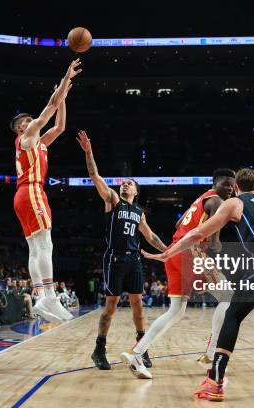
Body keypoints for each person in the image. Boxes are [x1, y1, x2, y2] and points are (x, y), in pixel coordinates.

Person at [142, 168, 254, 401]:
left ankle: (214, 381)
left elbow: (199, 232)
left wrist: (168, 253)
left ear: (236, 187)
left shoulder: (234, 202)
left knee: (233, 312)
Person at [120, 169, 236, 379]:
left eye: (232, 185)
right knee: (228, 296)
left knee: (176, 311)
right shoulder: (218, 201)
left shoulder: (200, 199)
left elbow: (177, 224)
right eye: (225, 183)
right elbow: (214, 242)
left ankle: (136, 354)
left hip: (175, 251)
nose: (229, 188)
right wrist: (217, 246)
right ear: (215, 183)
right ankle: (211, 356)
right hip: (190, 252)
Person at [76, 130, 167, 371]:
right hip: (114, 259)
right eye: (124, 182)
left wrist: (169, 251)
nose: (125, 184)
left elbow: (151, 236)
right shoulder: (113, 200)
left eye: (130, 183)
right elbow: (94, 175)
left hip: (134, 260)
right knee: (111, 306)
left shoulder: (139, 213)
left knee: (138, 304)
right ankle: (99, 349)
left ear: (136, 192)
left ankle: (141, 348)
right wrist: (89, 152)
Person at [11, 59, 82, 323]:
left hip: (23, 194)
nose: (30, 122)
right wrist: (65, 80)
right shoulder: (27, 136)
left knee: (35, 246)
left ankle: (42, 294)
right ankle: (49, 297)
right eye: (26, 121)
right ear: (21, 128)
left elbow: (60, 126)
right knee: (45, 244)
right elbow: (49, 108)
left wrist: (63, 97)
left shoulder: (39, 142)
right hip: (31, 191)